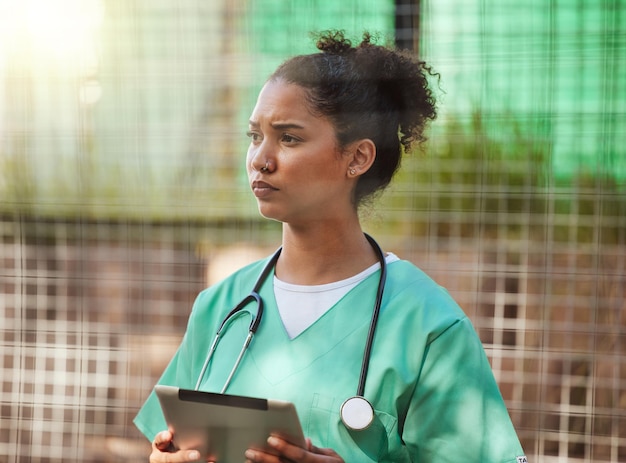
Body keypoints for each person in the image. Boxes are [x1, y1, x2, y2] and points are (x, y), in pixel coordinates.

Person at [134, 30, 526, 462]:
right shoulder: (221, 308)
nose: (261, 159)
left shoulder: (428, 325)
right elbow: (167, 442)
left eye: (289, 138)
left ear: (357, 158)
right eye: (254, 136)